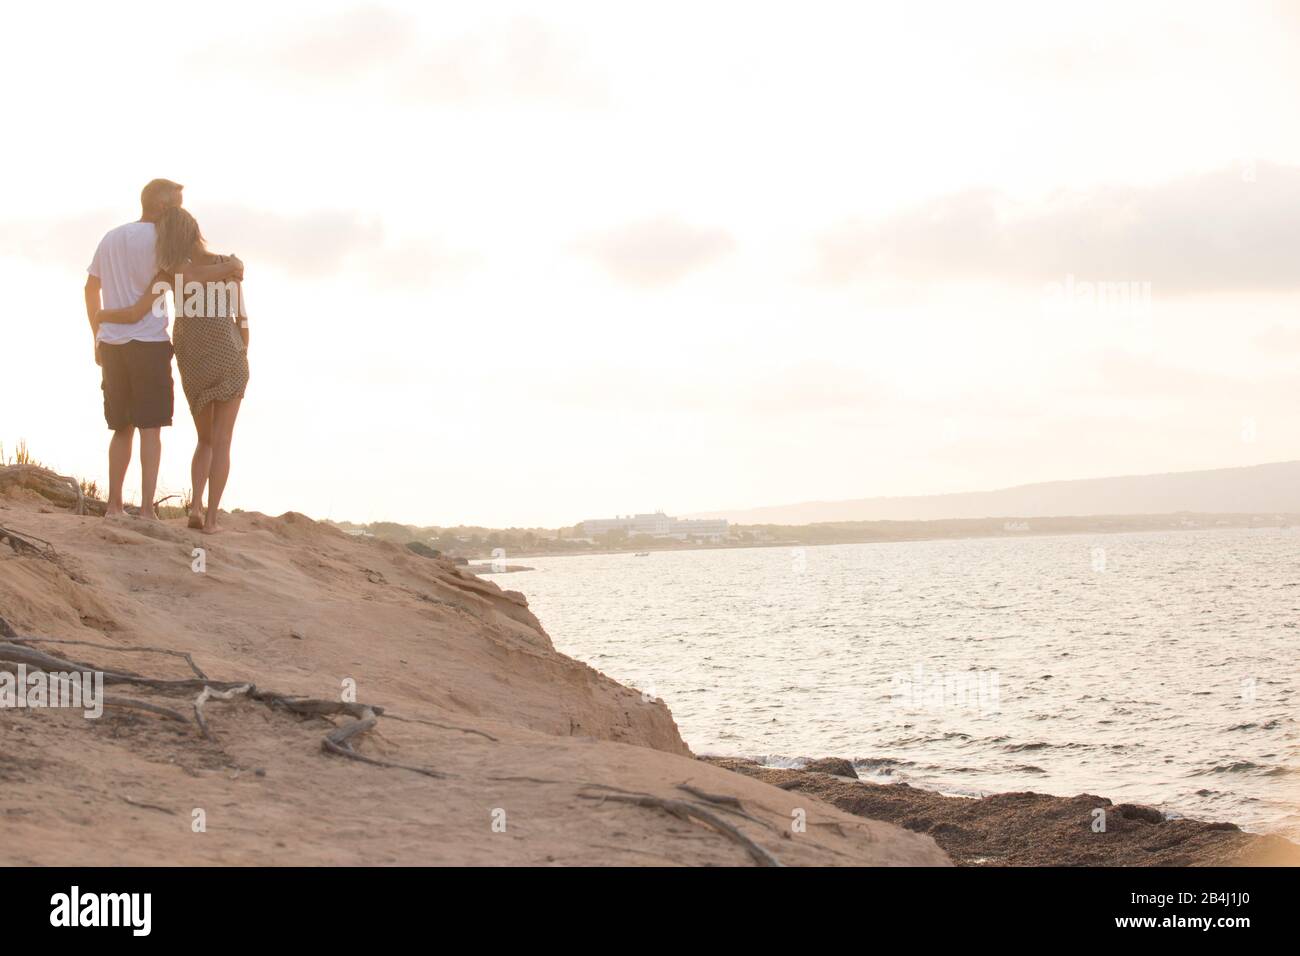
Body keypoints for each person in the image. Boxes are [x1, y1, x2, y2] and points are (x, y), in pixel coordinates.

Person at [85, 180, 242, 520]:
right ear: (161, 206)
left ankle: (113, 506)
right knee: (150, 429)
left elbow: (90, 287)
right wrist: (229, 267)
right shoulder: (166, 242)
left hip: (111, 342)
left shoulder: (111, 236)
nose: (179, 212)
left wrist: (97, 331)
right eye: (176, 205)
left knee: (120, 427)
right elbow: (189, 275)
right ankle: (145, 511)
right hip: (149, 343)